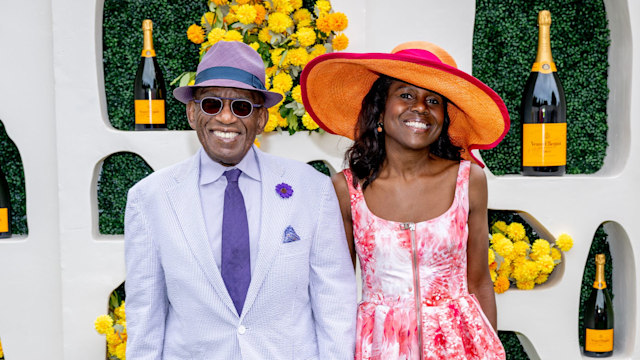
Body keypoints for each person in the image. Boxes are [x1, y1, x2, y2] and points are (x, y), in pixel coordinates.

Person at [124, 40, 357, 359]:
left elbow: (335, 309)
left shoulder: (312, 191)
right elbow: (145, 319)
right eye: (211, 104)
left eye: (241, 107)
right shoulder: (148, 199)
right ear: (192, 112)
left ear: (261, 119)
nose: (226, 118)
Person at [300, 41, 509, 359]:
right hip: (380, 349)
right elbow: (335, 292)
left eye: (433, 100)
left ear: (444, 118)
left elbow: (479, 281)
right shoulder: (347, 190)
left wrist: (490, 349)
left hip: (461, 348)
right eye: (406, 95)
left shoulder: (469, 181)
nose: (421, 108)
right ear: (380, 110)